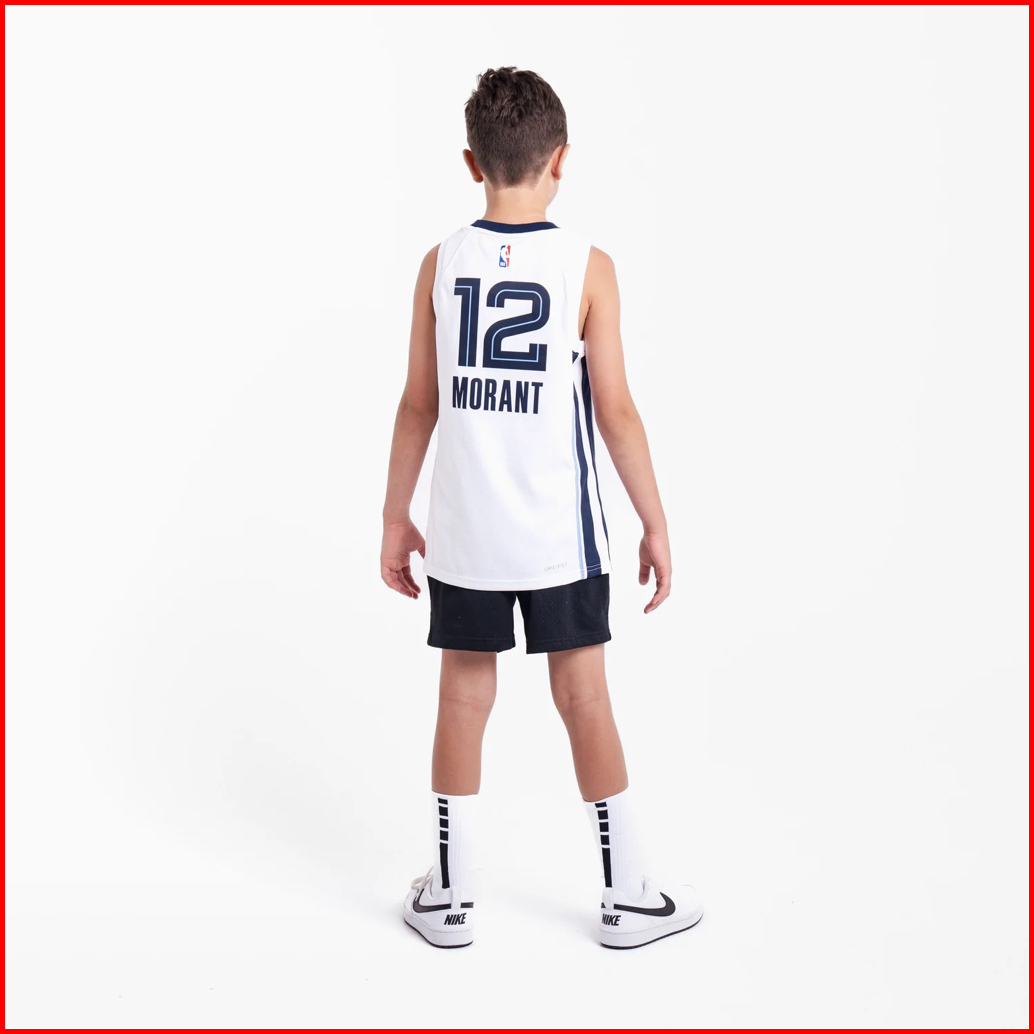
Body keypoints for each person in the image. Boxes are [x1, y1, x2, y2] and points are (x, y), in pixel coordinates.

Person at [380, 67, 702, 950]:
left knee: (462, 696)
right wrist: (655, 522)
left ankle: (449, 901)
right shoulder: (589, 266)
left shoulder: (439, 264)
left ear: (471, 162)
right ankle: (628, 896)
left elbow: (417, 403)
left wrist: (394, 517)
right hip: (561, 535)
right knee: (583, 695)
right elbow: (616, 410)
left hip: (466, 534)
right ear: (561, 159)